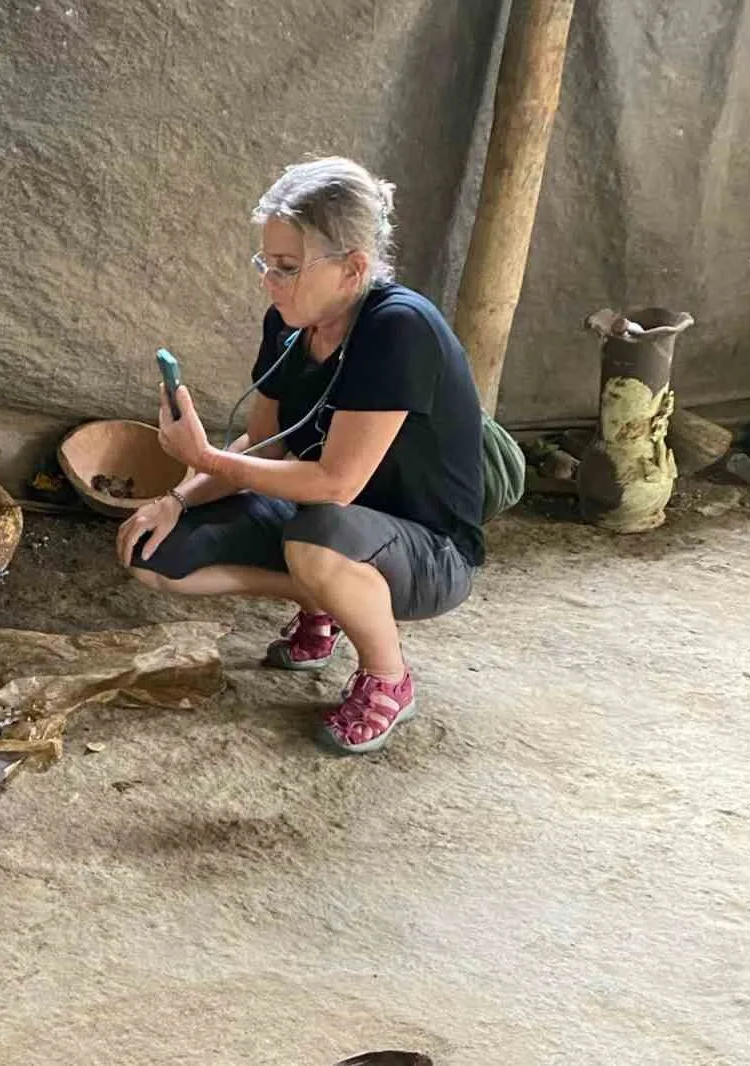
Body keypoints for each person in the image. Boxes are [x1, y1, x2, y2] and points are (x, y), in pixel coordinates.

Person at [118, 157, 485, 754]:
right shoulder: (289, 324)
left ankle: (390, 677)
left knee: (318, 535)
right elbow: (263, 445)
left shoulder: (399, 329)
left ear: (353, 268)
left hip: (429, 552)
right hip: (322, 527)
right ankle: (325, 600)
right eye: (266, 263)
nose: (270, 281)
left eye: (287, 268)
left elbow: (337, 483)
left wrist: (205, 459)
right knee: (152, 553)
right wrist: (175, 499)